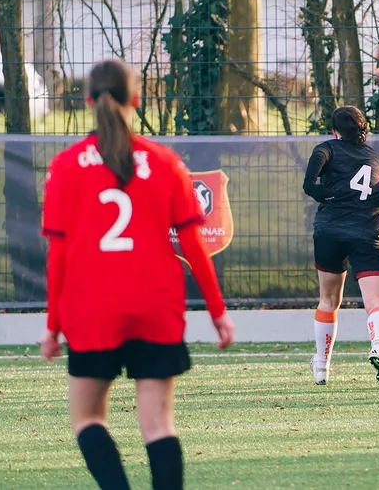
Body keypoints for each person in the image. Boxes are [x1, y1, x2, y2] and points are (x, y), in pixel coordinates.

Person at [39, 59, 235, 490]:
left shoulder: (67, 167)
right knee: (159, 425)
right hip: (155, 306)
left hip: (92, 311)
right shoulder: (165, 163)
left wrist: (53, 327)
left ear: (87, 100)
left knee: (88, 420)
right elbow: (194, 245)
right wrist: (218, 312)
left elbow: (59, 257)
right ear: (138, 99)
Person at [303, 105, 379, 386]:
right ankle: (378, 347)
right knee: (377, 304)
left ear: (335, 132)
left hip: (331, 232)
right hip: (367, 233)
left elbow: (309, 183)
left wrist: (329, 195)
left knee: (328, 301)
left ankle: (322, 366)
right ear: (364, 130)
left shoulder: (326, 149)